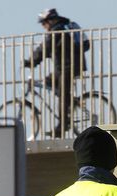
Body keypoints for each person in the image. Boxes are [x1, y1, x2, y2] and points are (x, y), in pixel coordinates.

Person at [24, 8, 90, 138]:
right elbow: (47, 48)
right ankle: (71, 101)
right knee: (48, 81)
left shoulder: (57, 30)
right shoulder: (62, 28)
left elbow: (45, 47)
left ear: (50, 20)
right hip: (64, 67)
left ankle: (62, 126)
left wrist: (32, 61)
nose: (43, 26)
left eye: (44, 23)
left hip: (69, 67)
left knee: (63, 95)